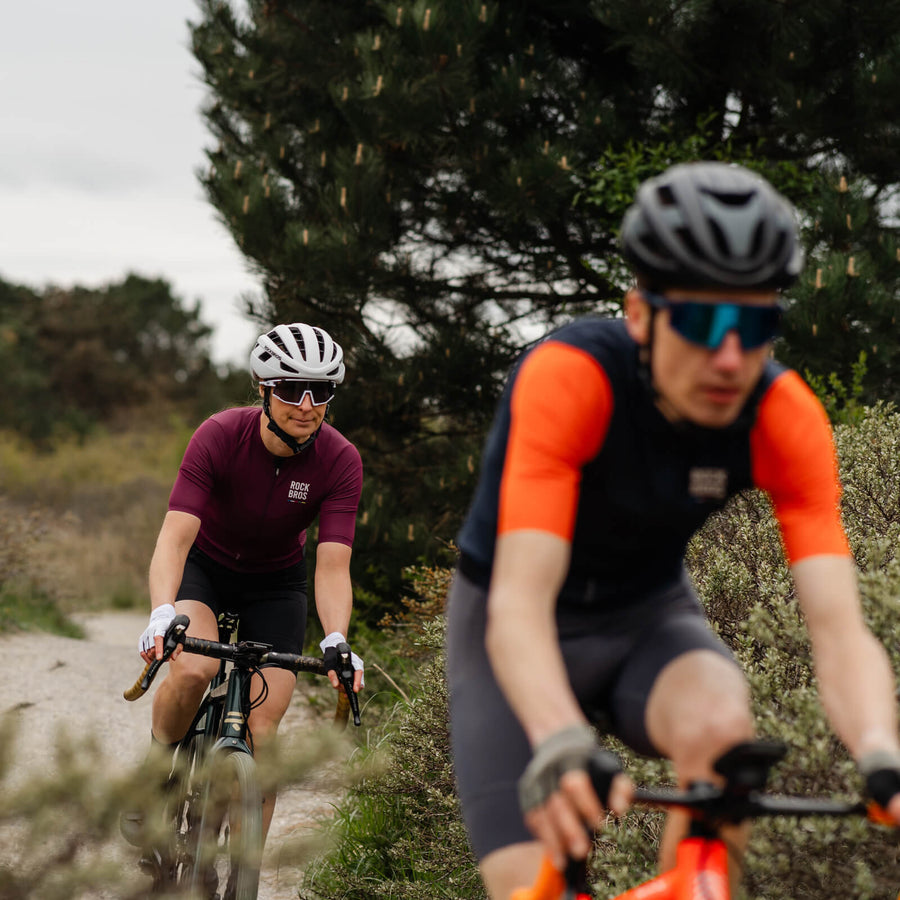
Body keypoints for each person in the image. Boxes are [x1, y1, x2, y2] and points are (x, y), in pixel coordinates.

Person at [446, 161, 900, 900]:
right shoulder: (572, 378)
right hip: (511, 631)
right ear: (639, 314)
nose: (730, 357)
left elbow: (840, 630)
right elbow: (520, 604)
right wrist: (560, 739)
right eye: (700, 322)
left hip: (645, 619)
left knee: (724, 731)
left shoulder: (782, 416)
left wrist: (881, 753)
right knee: (528, 881)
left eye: (756, 327)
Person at [122, 322, 364, 847]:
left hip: (277, 585)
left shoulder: (340, 460)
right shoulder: (219, 435)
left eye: (320, 391)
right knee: (195, 669)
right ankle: (156, 770)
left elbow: (332, 565)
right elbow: (175, 538)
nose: (307, 405)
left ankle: (243, 868)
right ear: (264, 388)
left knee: (263, 734)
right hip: (206, 569)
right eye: (291, 389)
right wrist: (161, 611)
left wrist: (337, 637)